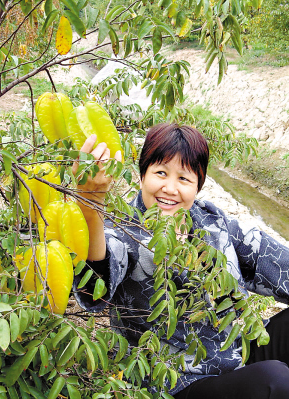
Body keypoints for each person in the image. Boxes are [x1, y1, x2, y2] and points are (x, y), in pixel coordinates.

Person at [73, 123, 289, 399]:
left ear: (198, 185)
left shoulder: (211, 220)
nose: (170, 188)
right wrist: (91, 204)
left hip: (234, 355)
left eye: (184, 179)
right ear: (142, 175)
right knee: (275, 380)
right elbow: (95, 284)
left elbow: (271, 259)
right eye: (160, 172)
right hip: (177, 383)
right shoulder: (125, 233)